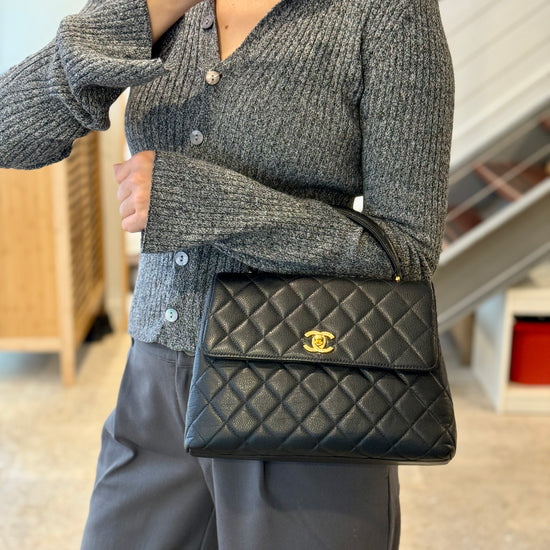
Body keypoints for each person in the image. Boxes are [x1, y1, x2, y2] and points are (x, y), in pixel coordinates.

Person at [0, 0, 454, 548]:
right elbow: (8, 130)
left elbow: (406, 252)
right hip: (154, 384)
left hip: (304, 381)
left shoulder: (388, 13)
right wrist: (148, 12)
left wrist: (200, 201)